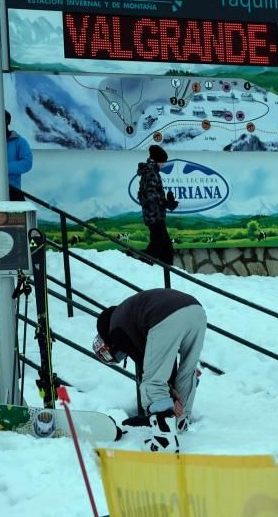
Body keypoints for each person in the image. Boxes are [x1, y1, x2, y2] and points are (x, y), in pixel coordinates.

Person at [93, 288, 207, 452]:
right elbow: (165, 359)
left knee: (151, 383)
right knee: (187, 373)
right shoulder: (129, 313)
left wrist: (168, 392)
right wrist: (171, 391)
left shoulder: (116, 329)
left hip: (166, 316)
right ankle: (179, 423)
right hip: (196, 311)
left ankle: (164, 441)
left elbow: (148, 364)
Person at [137, 145, 178, 265]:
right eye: (162, 162)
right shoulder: (151, 173)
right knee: (156, 245)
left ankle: (168, 272)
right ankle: (140, 268)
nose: (163, 165)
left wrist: (168, 202)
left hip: (155, 215)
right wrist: (166, 203)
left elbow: (151, 195)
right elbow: (151, 196)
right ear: (157, 160)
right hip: (154, 216)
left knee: (167, 250)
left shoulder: (151, 171)